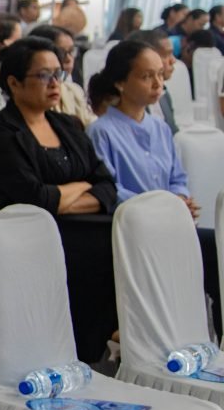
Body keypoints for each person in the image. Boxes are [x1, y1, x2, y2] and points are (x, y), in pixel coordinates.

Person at [0, 37, 118, 362]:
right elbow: (36, 200)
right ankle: (87, 348)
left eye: (58, 74)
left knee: (124, 234)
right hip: (24, 237)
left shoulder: (67, 124)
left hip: (80, 228)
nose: (55, 83)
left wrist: (62, 196)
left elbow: (107, 186)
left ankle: (98, 345)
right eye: (43, 76)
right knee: (109, 246)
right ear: (14, 83)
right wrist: (81, 185)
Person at [86, 40, 219, 330]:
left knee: (217, 252)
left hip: (170, 225)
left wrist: (180, 198)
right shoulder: (101, 131)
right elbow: (109, 188)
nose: (158, 84)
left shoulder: (159, 127)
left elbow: (177, 178)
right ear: (121, 82)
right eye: (147, 76)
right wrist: (163, 207)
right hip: (134, 230)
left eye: (160, 74)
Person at [30, 25, 95, 127]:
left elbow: (90, 124)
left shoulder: (74, 91)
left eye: (71, 51)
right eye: (61, 52)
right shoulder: (32, 97)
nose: (68, 59)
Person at [129, 28, 180, 133]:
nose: (173, 60)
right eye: (166, 55)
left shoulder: (164, 94)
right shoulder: (129, 102)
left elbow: (173, 134)